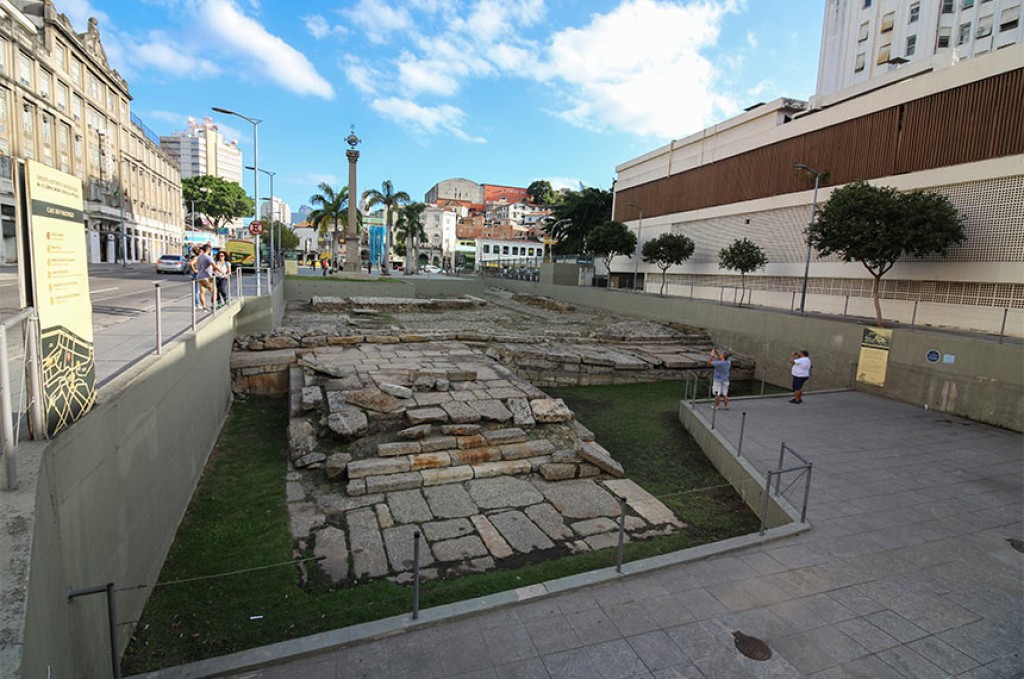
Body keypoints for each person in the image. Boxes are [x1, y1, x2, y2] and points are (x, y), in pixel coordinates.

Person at [194, 244, 216, 311]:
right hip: (207, 277)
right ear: (208, 249)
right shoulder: (208, 257)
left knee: (202, 292)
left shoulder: (199, 257)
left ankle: (204, 307)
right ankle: (213, 305)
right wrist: (223, 272)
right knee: (214, 291)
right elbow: (215, 266)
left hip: (200, 276)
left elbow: (200, 266)